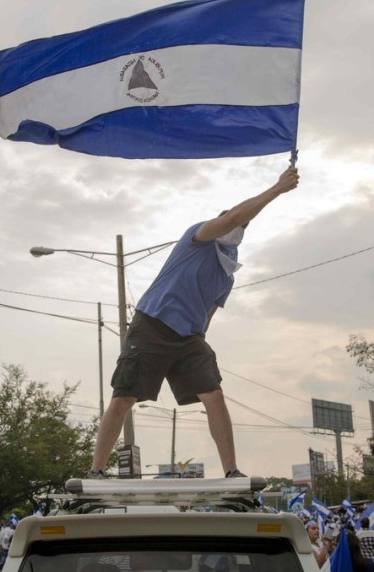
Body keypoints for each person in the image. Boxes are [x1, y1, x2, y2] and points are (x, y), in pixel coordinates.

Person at [87, 167, 301, 479]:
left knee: (214, 395)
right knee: (125, 396)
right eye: (233, 221)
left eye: (242, 225)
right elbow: (232, 218)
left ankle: (231, 471)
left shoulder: (226, 276)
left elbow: (207, 316)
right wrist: (277, 188)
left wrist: (197, 349)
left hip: (189, 338)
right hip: (153, 325)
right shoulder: (197, 237)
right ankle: (96, 469)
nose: (236, 226)